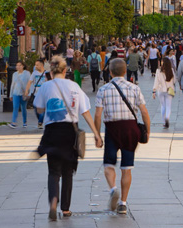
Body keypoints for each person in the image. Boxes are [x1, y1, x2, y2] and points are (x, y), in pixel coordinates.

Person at [33, 57, 102, 220]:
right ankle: (65, 209)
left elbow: (40, 108)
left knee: (53, 171)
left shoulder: (45, 86)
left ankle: (53, 203)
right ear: (65, 71)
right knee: (68, 172)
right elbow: (85, 111)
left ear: (51, 72)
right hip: (70, 131)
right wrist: (96, 134)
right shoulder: (74, 86)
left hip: (51, 131)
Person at [94, 58, 150, 215]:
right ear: (125, 71)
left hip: (112, 129)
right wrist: (147, 131)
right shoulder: (134, 88)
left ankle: (113, 189)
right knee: (127, 168)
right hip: (130, 129)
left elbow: (98, 114)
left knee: (108, 165)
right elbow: (144, 111)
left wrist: (97, 134)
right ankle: (123, 203)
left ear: (110, 72)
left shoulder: (103, 90)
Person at [25, 59, 50, 130]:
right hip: (36, 93)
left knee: (42, 108)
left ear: (42, 65)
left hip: (45, 94)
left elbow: (51, 83)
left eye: (37, 65)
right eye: (35, 65)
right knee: (36, 108)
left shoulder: (47, 73)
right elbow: (30, 82)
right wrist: (27, 90)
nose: (35, 66)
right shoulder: (34, 73)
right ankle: (40, 119)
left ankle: (40, 122)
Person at [153, 57, 176, 128]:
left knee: (163, 106)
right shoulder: (171, 70)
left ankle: (164, 122)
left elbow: (156, 82)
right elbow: (174, 80)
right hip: (169, 90)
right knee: (168, 106)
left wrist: (154, 91)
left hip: (160, 90)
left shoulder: (158, 71)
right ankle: (167, 118)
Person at [9, 61, 30, 129]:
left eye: (20, 65)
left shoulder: (27, 73)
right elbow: (12, 84)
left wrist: (28, 92)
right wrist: (11, 94)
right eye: (17, 65)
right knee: (15, 107)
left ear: (23, 66)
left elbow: (29, 83)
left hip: (23, 93)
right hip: (16, 93)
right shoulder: (14, 74)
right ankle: (14, 122)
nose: (18, 67)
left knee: (23, 108)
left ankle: (25, 122)